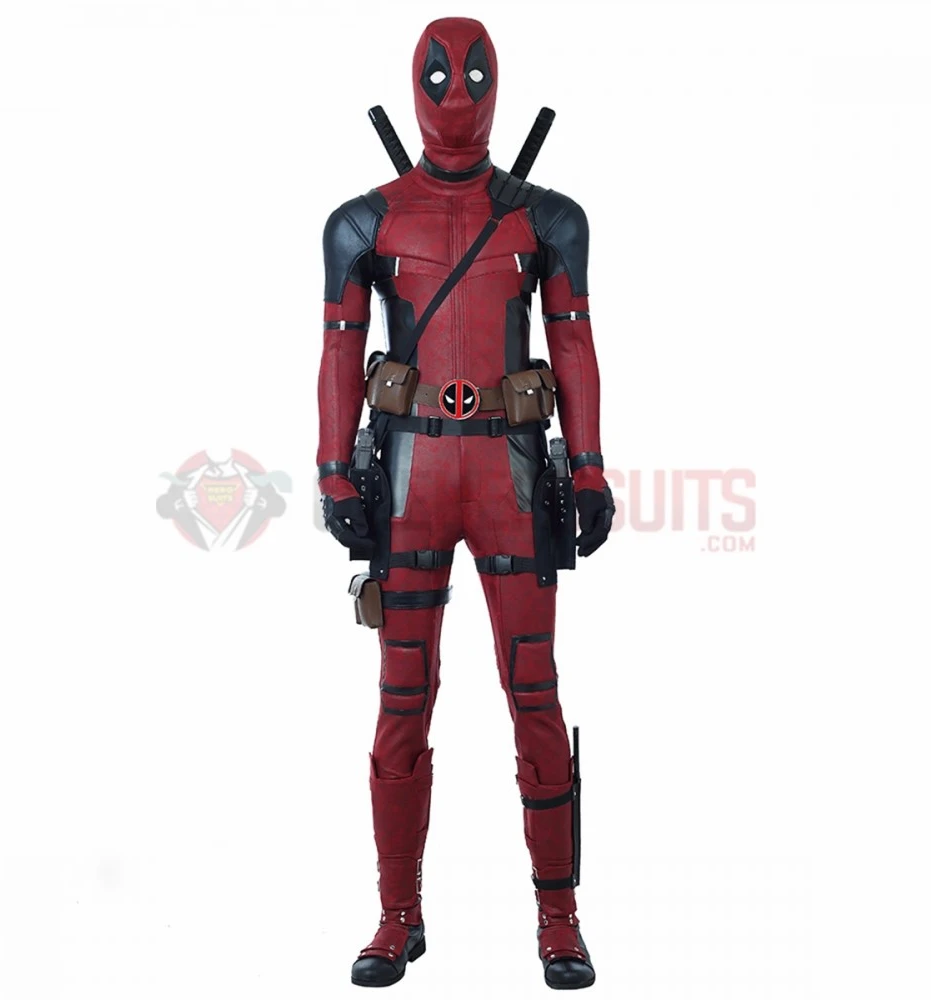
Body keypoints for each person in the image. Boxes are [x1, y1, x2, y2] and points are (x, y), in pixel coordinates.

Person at [316, 17, 613, 990]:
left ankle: (559, 920)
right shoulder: (363, 223)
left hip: (509, 480)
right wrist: (331, 471)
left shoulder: (549, 220)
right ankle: (395, 914)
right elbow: (336, 352)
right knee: (401, 699)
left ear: (497, 83)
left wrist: (590, 468)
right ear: (413, 83)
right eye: (439, 74)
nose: (455, 92)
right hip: (408, 484)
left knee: (534, 691)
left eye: (473, 73)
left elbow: (573, 344)